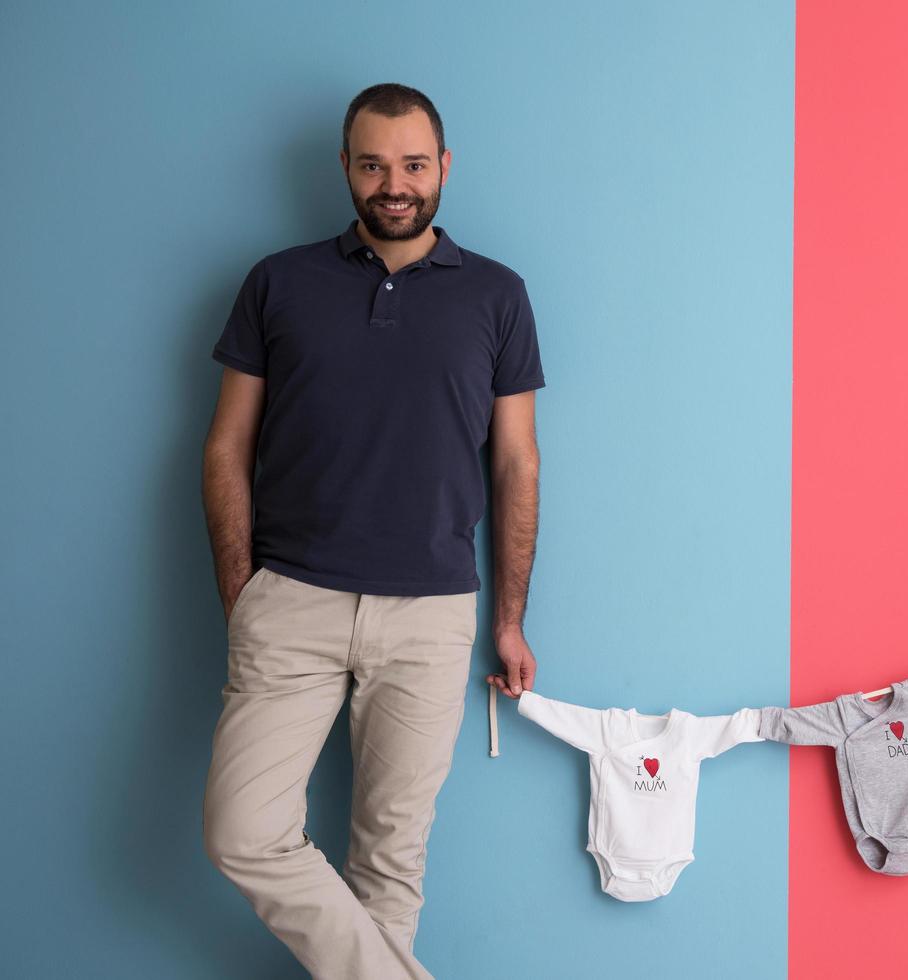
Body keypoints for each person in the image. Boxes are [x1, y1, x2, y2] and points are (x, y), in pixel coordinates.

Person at [200, 83, 544, 979]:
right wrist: (243, 594)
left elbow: (515, 465)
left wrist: (508, 620)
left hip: (432, 616)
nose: (394, 184)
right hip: (291, 602)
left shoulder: (498, 296)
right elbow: (225, 447)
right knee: (243, 832)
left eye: (413, 165)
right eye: (373, 164)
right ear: (347, 169)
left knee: (391, 870)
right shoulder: (277, 281)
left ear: (443, 167)